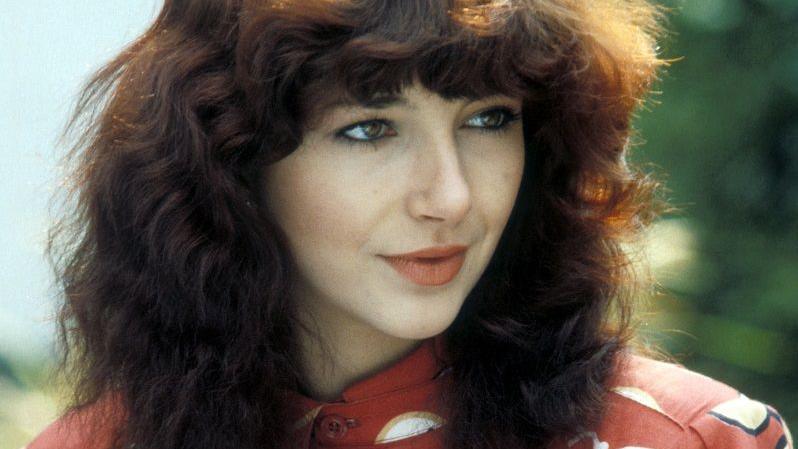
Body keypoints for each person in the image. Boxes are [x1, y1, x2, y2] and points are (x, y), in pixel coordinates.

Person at [25, 1, 792, 449]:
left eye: (490, 119)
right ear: (231, 162)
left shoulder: (685, 438)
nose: (451, 195)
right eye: (369, 129)